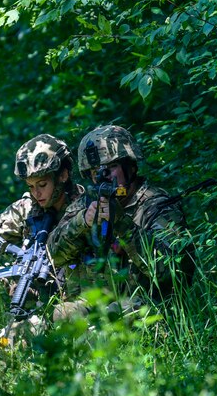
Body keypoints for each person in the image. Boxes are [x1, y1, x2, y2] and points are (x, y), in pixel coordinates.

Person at [47, 125, 195, 319]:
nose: (102, 176)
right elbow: (52, 255)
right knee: (63, 314)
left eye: (110, 168)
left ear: (130, 166)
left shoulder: (155, 206)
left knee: (109, 320)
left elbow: (169, 271)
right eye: (94, 171)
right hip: (97, 301)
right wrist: (82, 221)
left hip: (146, 304)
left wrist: (121, 222)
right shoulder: (85, 204)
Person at [0, 134, 85, 342]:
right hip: (37, 309)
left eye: (42, 184)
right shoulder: (27, 210)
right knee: (7, 344)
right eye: (30, 186)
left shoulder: (86, 210)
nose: (36, 193)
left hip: (79, 309)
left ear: (63, 175)